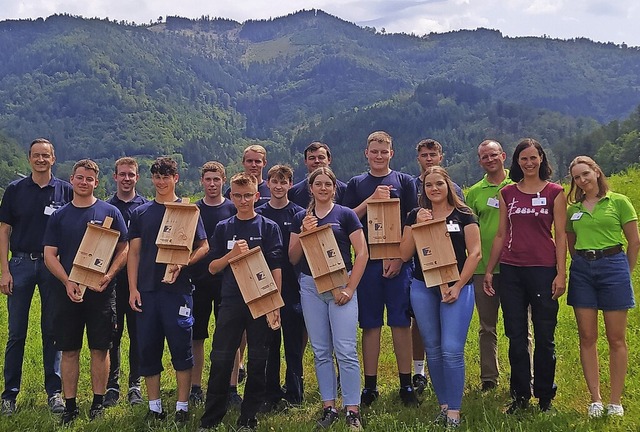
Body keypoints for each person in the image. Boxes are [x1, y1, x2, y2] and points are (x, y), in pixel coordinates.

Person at [483, 138, 567, 413]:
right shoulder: (508, 193)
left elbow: (562, 236)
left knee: (545, 336)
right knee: (516, 336)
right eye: (523, 159)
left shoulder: (556, 192)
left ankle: (545, 397)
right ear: (516, 162)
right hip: (511, 270)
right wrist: (488, 270)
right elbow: (500, 233)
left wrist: (561, 274)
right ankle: (520, 395)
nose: (529, 163)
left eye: (533, 158)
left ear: (542, 159)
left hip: (543, 269)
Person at [43, 159, 129, 424]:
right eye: (79, 178)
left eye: (89, 179)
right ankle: (70, 406)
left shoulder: (110, 212)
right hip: (67, 293)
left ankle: (98, 404)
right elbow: (49, 255)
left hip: (101, 293)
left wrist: (109, 275)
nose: (84, 182)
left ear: (96, 182)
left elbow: (124, 248)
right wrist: (68, 282)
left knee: (100, 349)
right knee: (69, 350)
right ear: (72, 179)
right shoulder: (59, 216)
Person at [199, 172, 283, 431]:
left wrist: (275, 304)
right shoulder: (224, 227)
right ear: (231, 196)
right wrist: (231, 256)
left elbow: (277, 268)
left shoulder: (269, 227)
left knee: (258, 359)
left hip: (260, 300)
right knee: (222, 358)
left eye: (248, 195)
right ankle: (211, 418)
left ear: (257, 196)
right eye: (238, 195)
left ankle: (248, 417)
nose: (244, 200)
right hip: (232, 301)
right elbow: (212, 267)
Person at [127, 157, 208, 423]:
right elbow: (134, 253)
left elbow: (203, 247)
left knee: (181, 348)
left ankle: (182, 407)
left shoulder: (188, 211)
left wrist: (181, 263)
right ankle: (155, 406)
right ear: (152, 179)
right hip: (147, 291)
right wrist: (132, 289)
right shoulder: (140, 213)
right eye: (157, 177)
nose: (161, 182)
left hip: (178, 291)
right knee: (148, 349)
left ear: (176, 178)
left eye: (167, 177)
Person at [400, 166, 481, 428]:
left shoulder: (464, 215)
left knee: (451, 350)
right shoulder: (415, 215)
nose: (434, 189)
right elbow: (403, 255)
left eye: (439, 184)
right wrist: (416, 227)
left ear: (448, 186)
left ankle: (455, 413)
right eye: (428, 185)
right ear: (422, 189)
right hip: (423, 287)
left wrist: (458, 286)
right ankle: (444, 406)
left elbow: (475, 254)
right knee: (433, 349)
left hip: (456, 288)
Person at [343, 131, 419, 407]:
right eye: (373, 151)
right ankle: (370, 386)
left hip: (400, 261)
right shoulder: (356, 184)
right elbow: (347, 219)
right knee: (370, 324)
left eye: (383, 151)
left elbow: (413, 223)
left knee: (401, 322)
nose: (378, 156)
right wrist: (372, 199)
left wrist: (400, 256)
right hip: (368, 263)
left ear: (392, 153)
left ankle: (406, 384)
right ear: (366, 153)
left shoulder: (405, 181)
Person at [289, 166, 368, 430]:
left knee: (345, 349)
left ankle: (352, 409)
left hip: (339, 285)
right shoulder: (301, 216)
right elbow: (292, 257)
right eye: (318, 184)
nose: (323, 188)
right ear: (310, 188)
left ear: (334, 188)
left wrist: (350, 288)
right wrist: (303, 231)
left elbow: (362, 253)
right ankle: (329, 406)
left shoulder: (345, 215)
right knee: (321, 351)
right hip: (310, 286)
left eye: (328, 184)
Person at [0, 138, 72, 416]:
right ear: (29, 159)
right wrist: (4, 270)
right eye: (36, 155)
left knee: (52, 331)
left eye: (46, 155)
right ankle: (9, 395)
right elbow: (4, 230)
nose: (41, 159)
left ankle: (54, 393)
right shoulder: (15, 190)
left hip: (53, 267)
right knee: (16, 333)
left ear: (54, 158)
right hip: (20, 263)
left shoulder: (65, 190)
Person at [565, 156, 639, 418]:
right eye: (576, 177)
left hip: (614, 265)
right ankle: (595, 399)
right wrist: (584, 262)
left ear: (596, 172)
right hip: (583, 269)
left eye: (585, 174)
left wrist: (624, 272)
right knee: (587, 337)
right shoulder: (573, 208)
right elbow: (571, 241)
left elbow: (634, 241)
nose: (582, 180)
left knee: (616, 338)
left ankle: (615, 401)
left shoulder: (619, 201)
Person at [256, 165, 306, 410]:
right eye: (274, 181)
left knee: (294, 343)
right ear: (267, 183)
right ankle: (270, 392)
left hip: (293, 286)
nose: (278, 186)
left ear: (290, 184)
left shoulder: (299, 214)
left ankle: (295, 393)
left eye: (283, 182)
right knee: (270, 342)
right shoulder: (258, 214)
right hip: (265, 286)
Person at [464, 140, 512, 392]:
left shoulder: (517, 186)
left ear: (503, 155)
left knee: (520, 327)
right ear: (480, 161)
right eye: (484, 156)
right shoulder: (474, 192)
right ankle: (489, 378)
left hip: (515, 268)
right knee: (487, 326)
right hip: (483, 269)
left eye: (494, 154)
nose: (490, 159)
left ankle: (525, 376)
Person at [188, 161, 236, 405]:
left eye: (217, 179)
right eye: (208, 179)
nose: (212, 183)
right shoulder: (194, 210)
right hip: (198, 280)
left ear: (223, 181)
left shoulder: (232, 208)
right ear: (202, 182)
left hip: (227, 281)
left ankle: (231, 387)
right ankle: (195, 387)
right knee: (197, 336)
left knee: (230, 334)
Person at [104, 157, 147, 407]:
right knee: (114, 335)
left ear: (137, 178)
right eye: (123, 174)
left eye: (131, 174)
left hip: (140, 282)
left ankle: (135, 384)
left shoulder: (147, 208)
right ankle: (112, 384)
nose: (127, 178)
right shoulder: (106, 208)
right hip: (112, 282)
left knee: (138, 334)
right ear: (115, 176)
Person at [289, 141, 347, 207]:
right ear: (305, 161)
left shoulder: (344, 190)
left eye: (321, 157)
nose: (317, 161)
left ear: (329, 160)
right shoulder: (293, 193)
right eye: (312, 158)